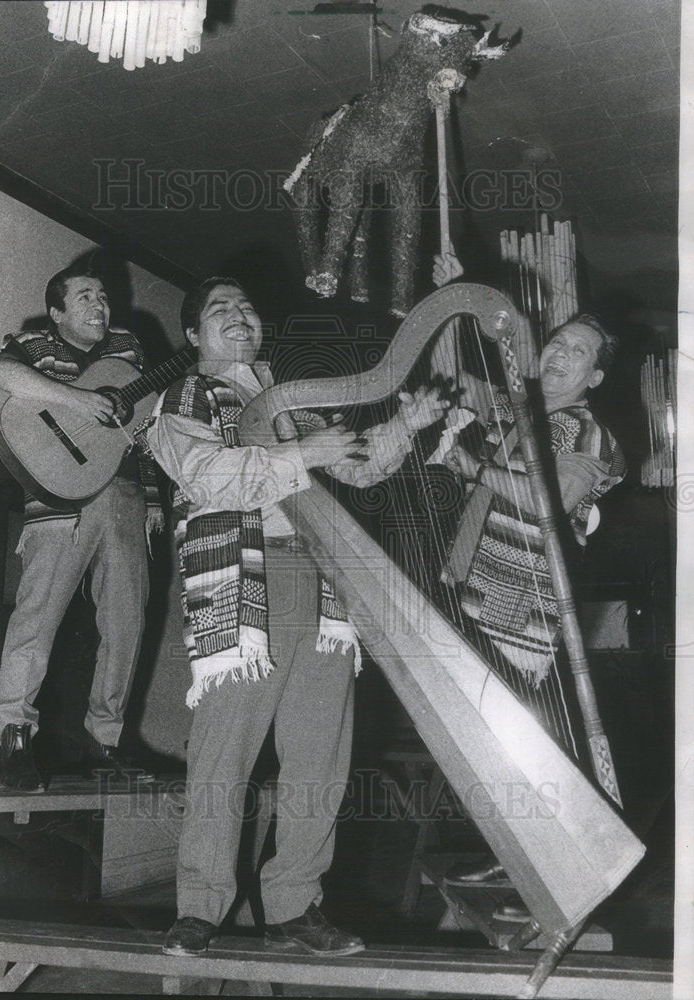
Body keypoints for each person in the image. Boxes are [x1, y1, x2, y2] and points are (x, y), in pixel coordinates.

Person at [146, 276, 446, 957]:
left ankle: (294, 906)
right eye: (219, 308)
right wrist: (305, 455)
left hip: (324, 579)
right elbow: (207, 476)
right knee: (224, 756)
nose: (239, 315)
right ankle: (200, 907)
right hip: (244, 579)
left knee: (320, 760)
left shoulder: (290, 399)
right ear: (194, 336)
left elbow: (357, 468)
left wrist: (405, 424)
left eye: (247, 305)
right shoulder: (183, 400)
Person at [428, 252, 627, 891]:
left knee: (515, 737)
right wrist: (454, 299)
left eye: (577, 353)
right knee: (488, 737)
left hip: (523, 604)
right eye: (558, 342)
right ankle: (518, 858)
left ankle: (541, 862)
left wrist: (472, 468)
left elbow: (551, 502)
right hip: (476, 588)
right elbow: (449, 374)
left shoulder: (584, 430)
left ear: (594, 377)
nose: (560, 354)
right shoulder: (519, 413)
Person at [0, 262, 161, 791]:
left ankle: (105, 742)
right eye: (85, 295)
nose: (99, 304)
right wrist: (80, 399)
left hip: (126, 494)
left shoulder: (129, 349)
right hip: (57, 496)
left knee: (127, 621)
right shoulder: (38, 346)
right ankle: (15, 738)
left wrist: (154, 499)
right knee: (36, 620)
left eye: (104, 295)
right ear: (58, 312)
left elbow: (146, 422)